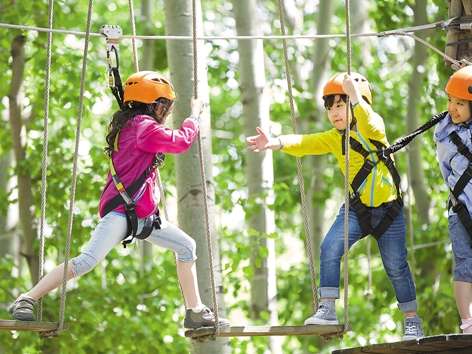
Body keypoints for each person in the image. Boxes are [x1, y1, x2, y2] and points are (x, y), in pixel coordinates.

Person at [9, 71, 228, 329]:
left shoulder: (131, 125)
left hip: (144, 217)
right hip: (123, 214)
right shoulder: (143, 128)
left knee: (187, 247)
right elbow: (181, 142)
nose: (166, 112)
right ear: (154, 104)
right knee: (86, 261)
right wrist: (194, 117)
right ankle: (27, 299)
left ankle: (195, 311)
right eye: (164, 106)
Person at [246, 72, 423, 340]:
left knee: (396, 266)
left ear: (355, 104)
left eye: (340, 106)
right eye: (330, 108)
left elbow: (369, 120)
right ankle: (327, 308)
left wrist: (355, 97)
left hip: (389, 212)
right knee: (329, 247)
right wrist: (276, 142)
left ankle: (412, 321)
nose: (334, 113)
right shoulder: (333, 138)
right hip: (358, 209)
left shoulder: (373, 128)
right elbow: (306, 142)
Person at [434, 65, 472, 334]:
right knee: (464, 263)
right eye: (450, 101)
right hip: (461, 211)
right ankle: (468, 322)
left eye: (460, 103)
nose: (453, 108)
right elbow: (445, 170)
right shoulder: (445, 134)